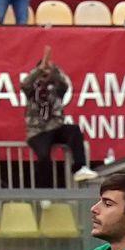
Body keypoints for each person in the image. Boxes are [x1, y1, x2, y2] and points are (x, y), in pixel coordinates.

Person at [21, 47, 88, 188]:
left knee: (74, 130)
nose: (45, 75)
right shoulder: (31, 90)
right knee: (44, 156)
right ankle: (44, 190)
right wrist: (40, 68)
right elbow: (25, 84)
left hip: (55, 126)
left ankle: (80, 168)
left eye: (47, 73)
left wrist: (53, 70)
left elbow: (64, 85)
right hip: (38, 131)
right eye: (42, 73)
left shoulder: (57, 89)